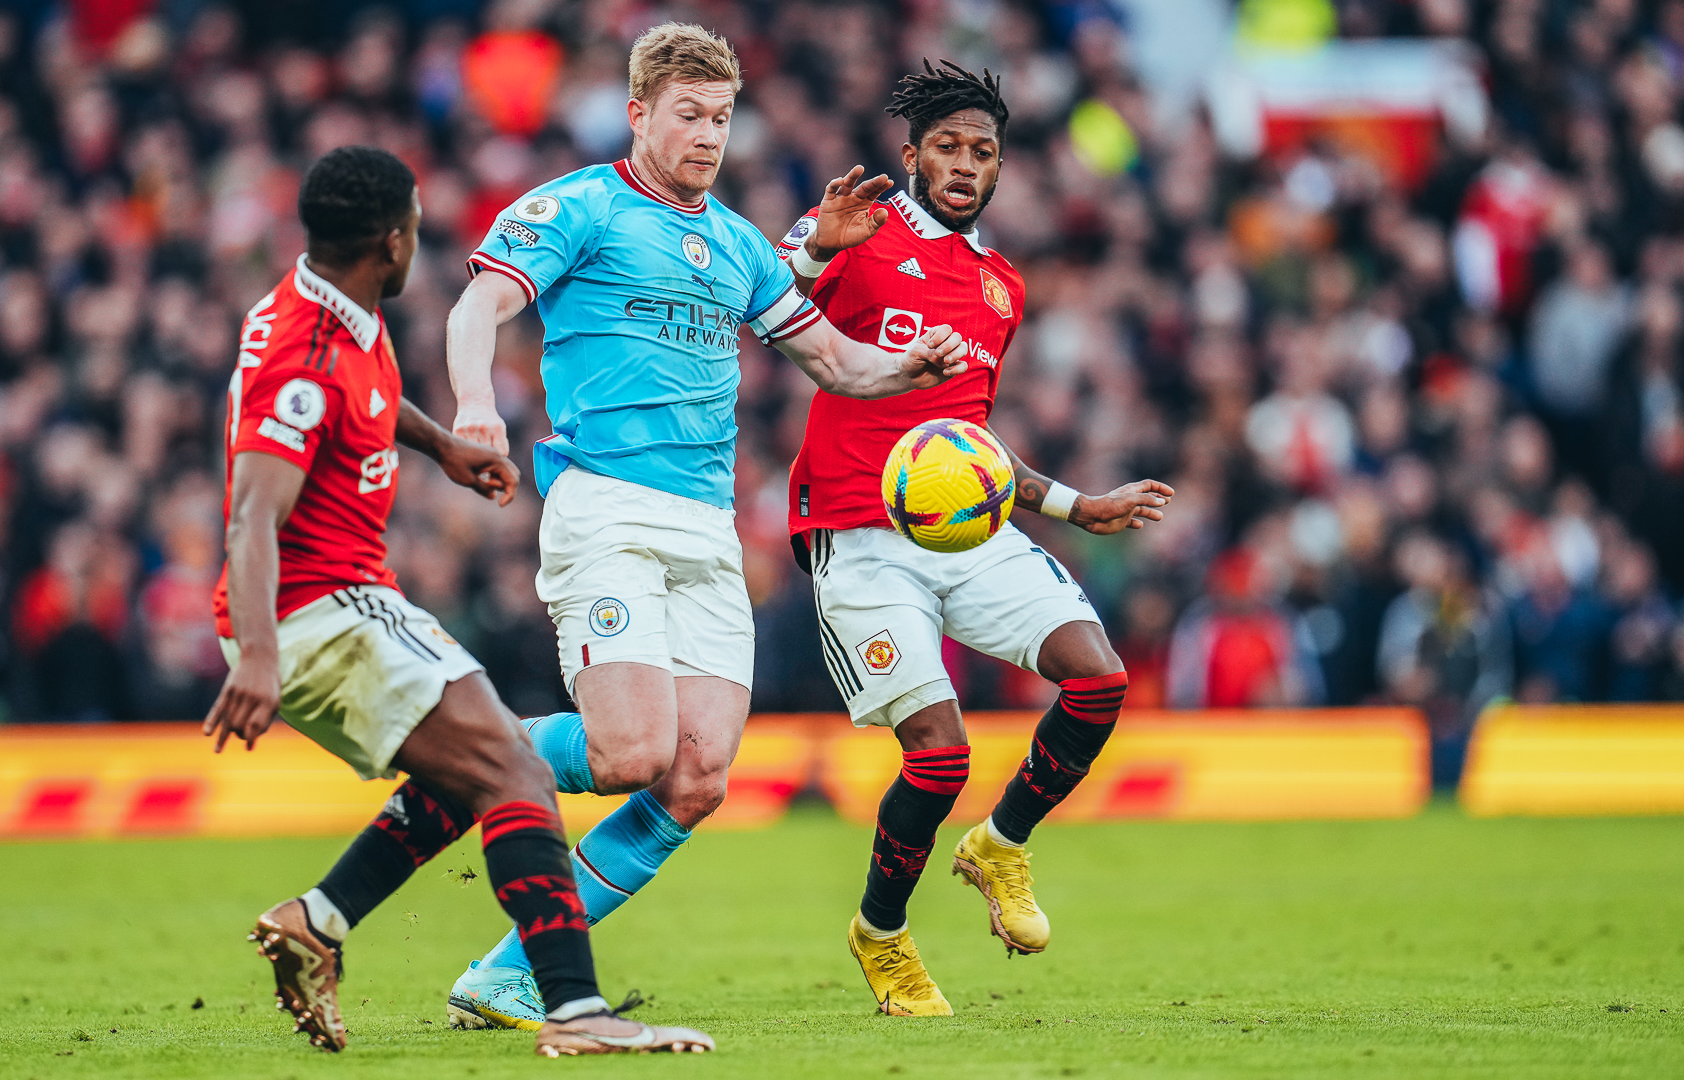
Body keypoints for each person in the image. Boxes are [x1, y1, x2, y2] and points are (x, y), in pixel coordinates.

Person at [280, 22, 968, 1030]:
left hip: (707, 528)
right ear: (639, 111)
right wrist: (476, 407)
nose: (705, 135)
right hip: (606, 508)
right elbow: (478, 310)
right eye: (687, 114)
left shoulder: (738, 242)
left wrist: (915, 364)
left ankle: (509, 973)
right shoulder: (580, 205)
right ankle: (469, 751)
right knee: (630, 754)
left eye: (721, 118)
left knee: (698, 778)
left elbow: (837, 363)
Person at [203, 145, 712, 1058]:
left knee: (468, 769)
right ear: (392, 240)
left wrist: (440, 446)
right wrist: (260, 657)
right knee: (512, 769)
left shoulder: (340, 307)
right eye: (416, 227)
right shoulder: (301, 353)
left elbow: (368, 400)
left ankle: (316, 920)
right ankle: (573, 1011)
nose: (420, 242)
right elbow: (251, 516)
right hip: (316, 607)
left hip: (351, 597)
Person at [778, 61, 1171, 1015]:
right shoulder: (860, 239)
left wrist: (1082, 506)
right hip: (858, 534)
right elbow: (757, 302)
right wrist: (804, 248)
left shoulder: (1000, 286)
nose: (964, 163)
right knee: (940, 754)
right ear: (912, 157)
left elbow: (971, 448)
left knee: (1100, 678)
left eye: (982, 151)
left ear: (1000, 169)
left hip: (967, 533)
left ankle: (1000, 844)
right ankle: (882, 936)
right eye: (947, 147)